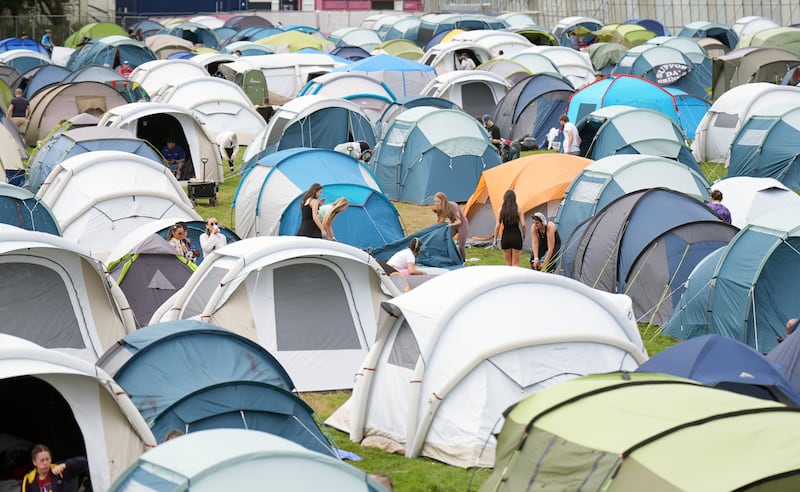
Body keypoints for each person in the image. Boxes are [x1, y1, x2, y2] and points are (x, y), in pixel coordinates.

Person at [22, 444, 88, 492]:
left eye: (47, 459)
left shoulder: (59, 469)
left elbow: (84, 462)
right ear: (34, 462)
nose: (45, 463)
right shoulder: (29, 479)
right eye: (42, 460)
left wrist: (65, 464)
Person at [432, 191, 469, 262]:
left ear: (443, 201)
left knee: (461, 246)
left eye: (438, 201)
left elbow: (459, 221)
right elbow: (439, 221)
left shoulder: (452, 205)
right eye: (435, 201)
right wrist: (433, 228)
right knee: (444, 239)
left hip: (462, 225)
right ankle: (448, 256)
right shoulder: (440, 208)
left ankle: (463, 261)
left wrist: (451, 225)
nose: (436, 203)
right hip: (453, 225)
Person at [493, 190, 526, 266]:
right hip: (516, 236)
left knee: (508, 264)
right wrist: (524, 235)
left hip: (505, 237)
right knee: (516, 264)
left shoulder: (501, 210)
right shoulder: (519, 209)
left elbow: (497, 225)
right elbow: (523, 225)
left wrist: (495, 239)